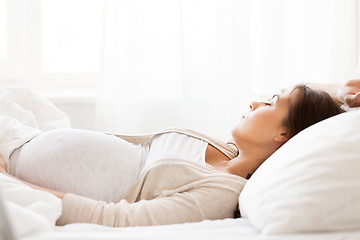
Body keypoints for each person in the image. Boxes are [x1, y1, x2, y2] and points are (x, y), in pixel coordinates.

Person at [0, 80, 358, 228]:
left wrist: (12, 184)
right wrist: (345, 93)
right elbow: (313, 106)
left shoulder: (221, 192)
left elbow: (118, 220)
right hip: (22, 140)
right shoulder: (224, 149)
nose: (254, 102)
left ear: (284, 133)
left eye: (270, 103)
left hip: (12, 172)